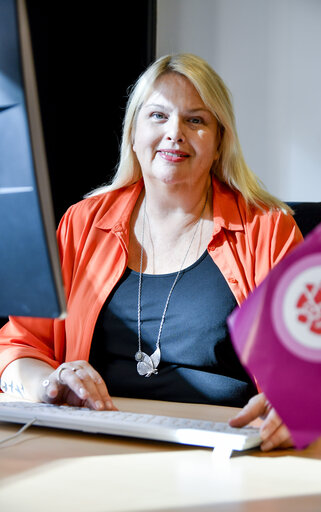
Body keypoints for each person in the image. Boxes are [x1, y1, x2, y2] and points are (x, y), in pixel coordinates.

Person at [0, 53, 303, 451]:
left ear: (218, 144)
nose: (174, 132)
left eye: (196, 120)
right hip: (92, 441)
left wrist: (295, 404)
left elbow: (315, 365)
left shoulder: (268, 229)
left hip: (226, 447)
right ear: (133, 134)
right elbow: (19, 345)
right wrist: (49, 384)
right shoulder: (82, 223)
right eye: (158, 116)